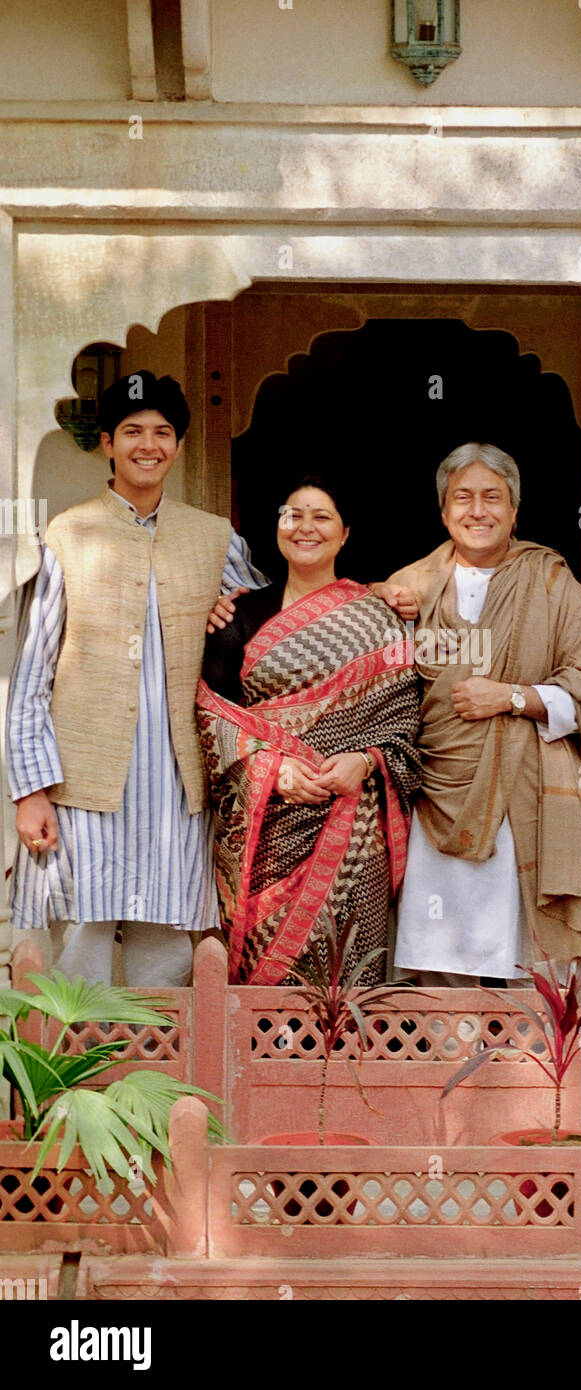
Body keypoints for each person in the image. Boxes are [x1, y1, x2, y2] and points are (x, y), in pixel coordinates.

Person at [6, 370, 268, 987]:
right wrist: (30, 790)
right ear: (106, 442)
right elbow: (31, 671)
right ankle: (75, 1083)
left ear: (177, 446)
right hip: (84, 778)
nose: (147, 445)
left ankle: (158, 1078)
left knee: (168, 939)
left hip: (178, 779)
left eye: (161, 432)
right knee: (83, 939)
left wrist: (231, 621)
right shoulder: (67, 534)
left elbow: (273, 630)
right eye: (132, 431)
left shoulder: (213, 537)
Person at [378, 443, 581, 984]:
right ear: (443, 512)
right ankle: (449, 1060)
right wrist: (379, 603)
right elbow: (370, 684)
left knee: (523, 959)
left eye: (493, 498)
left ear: (515, 511)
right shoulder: (408, 586)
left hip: (522, 791)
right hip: (431, 797)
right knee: (439, 959)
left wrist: (511, 697)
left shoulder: (551, 582)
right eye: (463, 498)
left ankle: (532, 1067)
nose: (478, 510)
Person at [198, 477, 421, 986]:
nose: (305, 527)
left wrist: (364, 763)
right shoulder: (237, 615)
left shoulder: (379, 619)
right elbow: (213, 717)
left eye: (321, 517)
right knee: (263, 964)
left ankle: (347, 1064)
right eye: (292, 514)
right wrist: (270, 770)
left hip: (355, 825)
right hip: (266, 824)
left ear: (344, 534)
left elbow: (405, 725)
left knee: (348, 971)